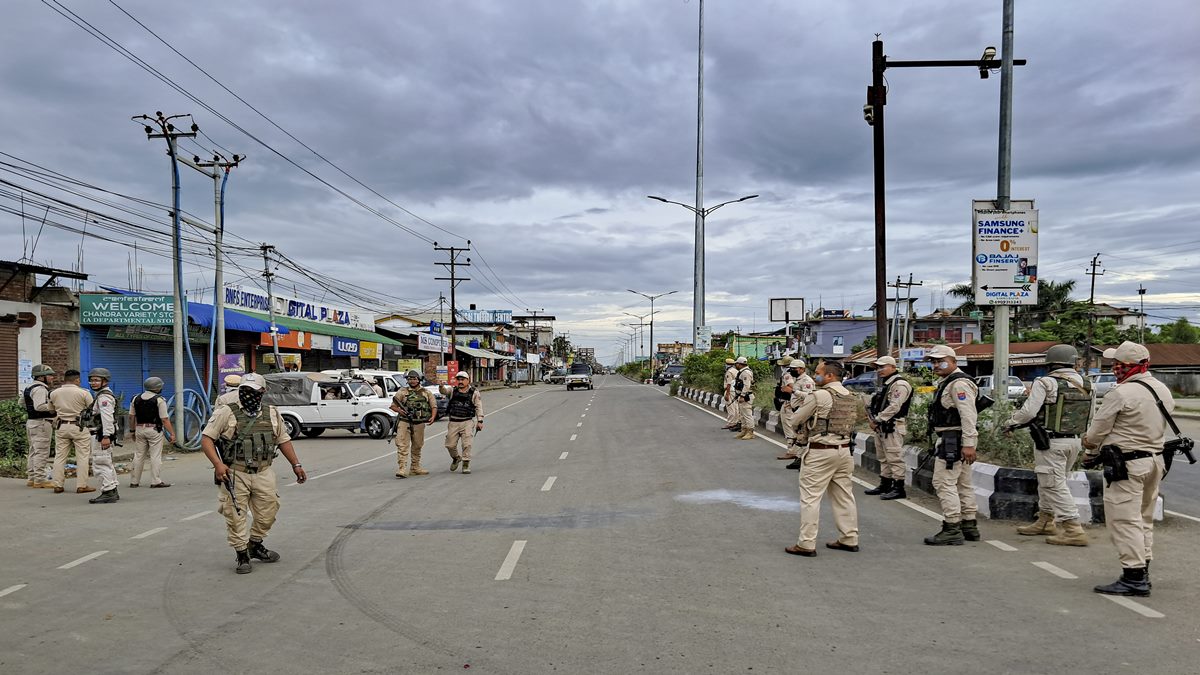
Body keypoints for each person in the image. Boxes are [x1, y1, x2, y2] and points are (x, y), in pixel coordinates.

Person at [1083, 341, 1172, 597]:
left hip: (1128, 465)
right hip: (1155, 461)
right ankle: (1143, 569)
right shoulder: (1161, 389)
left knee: (1124, 519)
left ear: (1125, 366)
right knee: (1143, 518)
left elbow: (1097, 431)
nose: (1114, 369)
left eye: (1116, 364)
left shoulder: (1120, 393)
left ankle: (1133, 577)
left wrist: (1089, 449)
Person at [199, 373, 307, 574]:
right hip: (235, 471)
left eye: (253, 392)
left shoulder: (272, 413)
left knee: (269, 511)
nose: (248, 395)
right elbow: (207, 439)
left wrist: (296, 464)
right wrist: (218, 464)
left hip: (263, 471)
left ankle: (255, 544)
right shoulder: (226, 412)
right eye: (245, 391)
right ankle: (241, 554)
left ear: (263, 392)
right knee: (235, 514)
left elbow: (283, 440)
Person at [1006, 344, 1090, 545]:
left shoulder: (1045, 382)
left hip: (1051, 442)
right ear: (1073, 362)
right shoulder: (1087, 383)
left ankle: (1073, 529)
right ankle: (1045, 521)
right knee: (1049, 482)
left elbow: (1028, 413)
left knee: (1053, 485)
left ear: (1050, 363)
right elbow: (1091, 415)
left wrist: (1009, 423)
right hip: (1074, 442)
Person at [785, 361, 860, 557]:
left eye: (818, 373)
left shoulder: (819, 396)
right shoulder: (851, 396)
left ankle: (806, 543)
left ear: (829, 376)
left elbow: (795, 420)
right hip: (844, 451)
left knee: (810, 498)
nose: (815, 376)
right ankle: (849, 538)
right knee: (844, 496)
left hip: (821, 451)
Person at [923, 346, 980, 545]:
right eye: (933, 361)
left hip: (953, 440)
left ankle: (952, 527)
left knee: (944, 482)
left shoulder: (958, 384)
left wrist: (969, 444)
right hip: (956, 439)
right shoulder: (948, 382)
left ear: (953, 361)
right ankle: (969, 526)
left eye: (940, 360)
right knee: (963, 484)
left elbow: (968, 415)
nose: (936, 364)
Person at [865, 356, 914, 500]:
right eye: (877, 368)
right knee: (883, 457)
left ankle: (899, 488)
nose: (879, 370)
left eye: (882, 367)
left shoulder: (899, 384)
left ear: (893, 367)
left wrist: (878, 419)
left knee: (894, 457)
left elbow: (894, 406)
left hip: (893, 426)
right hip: (882, 426)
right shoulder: (887, 384)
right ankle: (885, 484)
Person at [49, 369, 94, 494]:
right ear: (77, 380)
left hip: (61, 426)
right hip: (79, 426)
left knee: (60, 456)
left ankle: (57, 485)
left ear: (65, 379)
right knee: (83, 456)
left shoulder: (54, 393)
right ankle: (81, 485)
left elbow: (51, 409)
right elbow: (92, 409)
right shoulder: (84, 393)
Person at [128, 377, 176, 489]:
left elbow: (131, 416)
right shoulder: (159, 400)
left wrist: (132, 431)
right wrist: (172, 433)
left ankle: (134, 481)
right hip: (154, 430)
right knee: (155, 456)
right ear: (158, 387)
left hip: (139, 429)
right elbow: (164, 419)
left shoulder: (135, 398)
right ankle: (156, 481)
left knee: (139, 455)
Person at [84, 368, 121, 504]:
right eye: (91, 380)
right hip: (100, 433)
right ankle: (112, 490)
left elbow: (107, 418)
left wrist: (106, 436)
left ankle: (108, 492)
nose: (93, 383)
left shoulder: (104, 397)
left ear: (104, 381)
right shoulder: (101, 395)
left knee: (101, 463)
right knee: (106, 462)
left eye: (96, 380)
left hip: (100, 434)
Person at [390, 370, 437, 478]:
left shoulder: (426, 392)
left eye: (414, 378)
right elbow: (393, 406)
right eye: (410, 379)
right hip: (404, 421)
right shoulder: (402, 391)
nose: (412, 381)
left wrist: (433, 417)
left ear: (419, 379)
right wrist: (400, 411)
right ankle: (402, 468)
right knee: (402, 445)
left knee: (417, 445)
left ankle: (415, 467)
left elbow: (433, 406)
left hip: (419, 423)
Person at [440, 372, 484, 474]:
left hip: (467, 421)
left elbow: (478, 407)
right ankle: (456, 458)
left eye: (462, 379)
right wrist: (441, 386)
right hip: (453, 422)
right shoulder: (452, 390)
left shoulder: (474, 393)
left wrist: (480, 420)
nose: (460, 381)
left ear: (468, 380)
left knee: (467, 444)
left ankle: (465, 464)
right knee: (449, 445)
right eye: (458, 379)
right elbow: (444, 391)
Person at [23, 364, 57, 488]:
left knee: (33, 451)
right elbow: (40, 406)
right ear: (41, 377)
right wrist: (53, 408)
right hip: (41, 423)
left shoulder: (29, 387)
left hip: (31, 422)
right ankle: (40, 480)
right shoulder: (41, 389)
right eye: (50, 375)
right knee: (41, 452)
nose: (52, 378)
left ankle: (31, 478)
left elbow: (21, 402)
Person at [781, 359, 817, 465]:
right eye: (791, 369)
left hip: (803, 411)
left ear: (801, 369)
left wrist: (792, 391)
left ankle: (801, 459)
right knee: (800, 435)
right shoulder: (798, 380)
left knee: (802, 435)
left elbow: (809, 396)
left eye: (794, 369)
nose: (792, 371)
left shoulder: (806, 381)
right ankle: (798, 458)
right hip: (796, 409)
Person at [733, 357, 756, 440]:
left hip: (746, 396)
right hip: (741, 395)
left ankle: (750, 432)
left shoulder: (746, 372)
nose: (736, 365)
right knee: (742, 415)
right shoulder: (742, 372)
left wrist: (742, 396)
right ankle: (744, 430)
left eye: (736, 364)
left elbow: (747, 385)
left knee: (747, 415)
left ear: (740, 364)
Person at [776, 356, 796, 447]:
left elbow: (791, 386)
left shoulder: (787, 375)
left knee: (788, 425)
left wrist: (788, 390)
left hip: (788, 403)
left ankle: (791, 448)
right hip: (793, 402)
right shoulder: (795, 374)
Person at [721, 358, 740, 431]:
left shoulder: (729, 372)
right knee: (735, 407)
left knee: (730, 407)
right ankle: (735, 422)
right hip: (735, 391)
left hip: (730, 390)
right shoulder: (736, 371)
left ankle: (730, 423)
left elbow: (728, 383)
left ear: (727, 364)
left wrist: (727, 394)